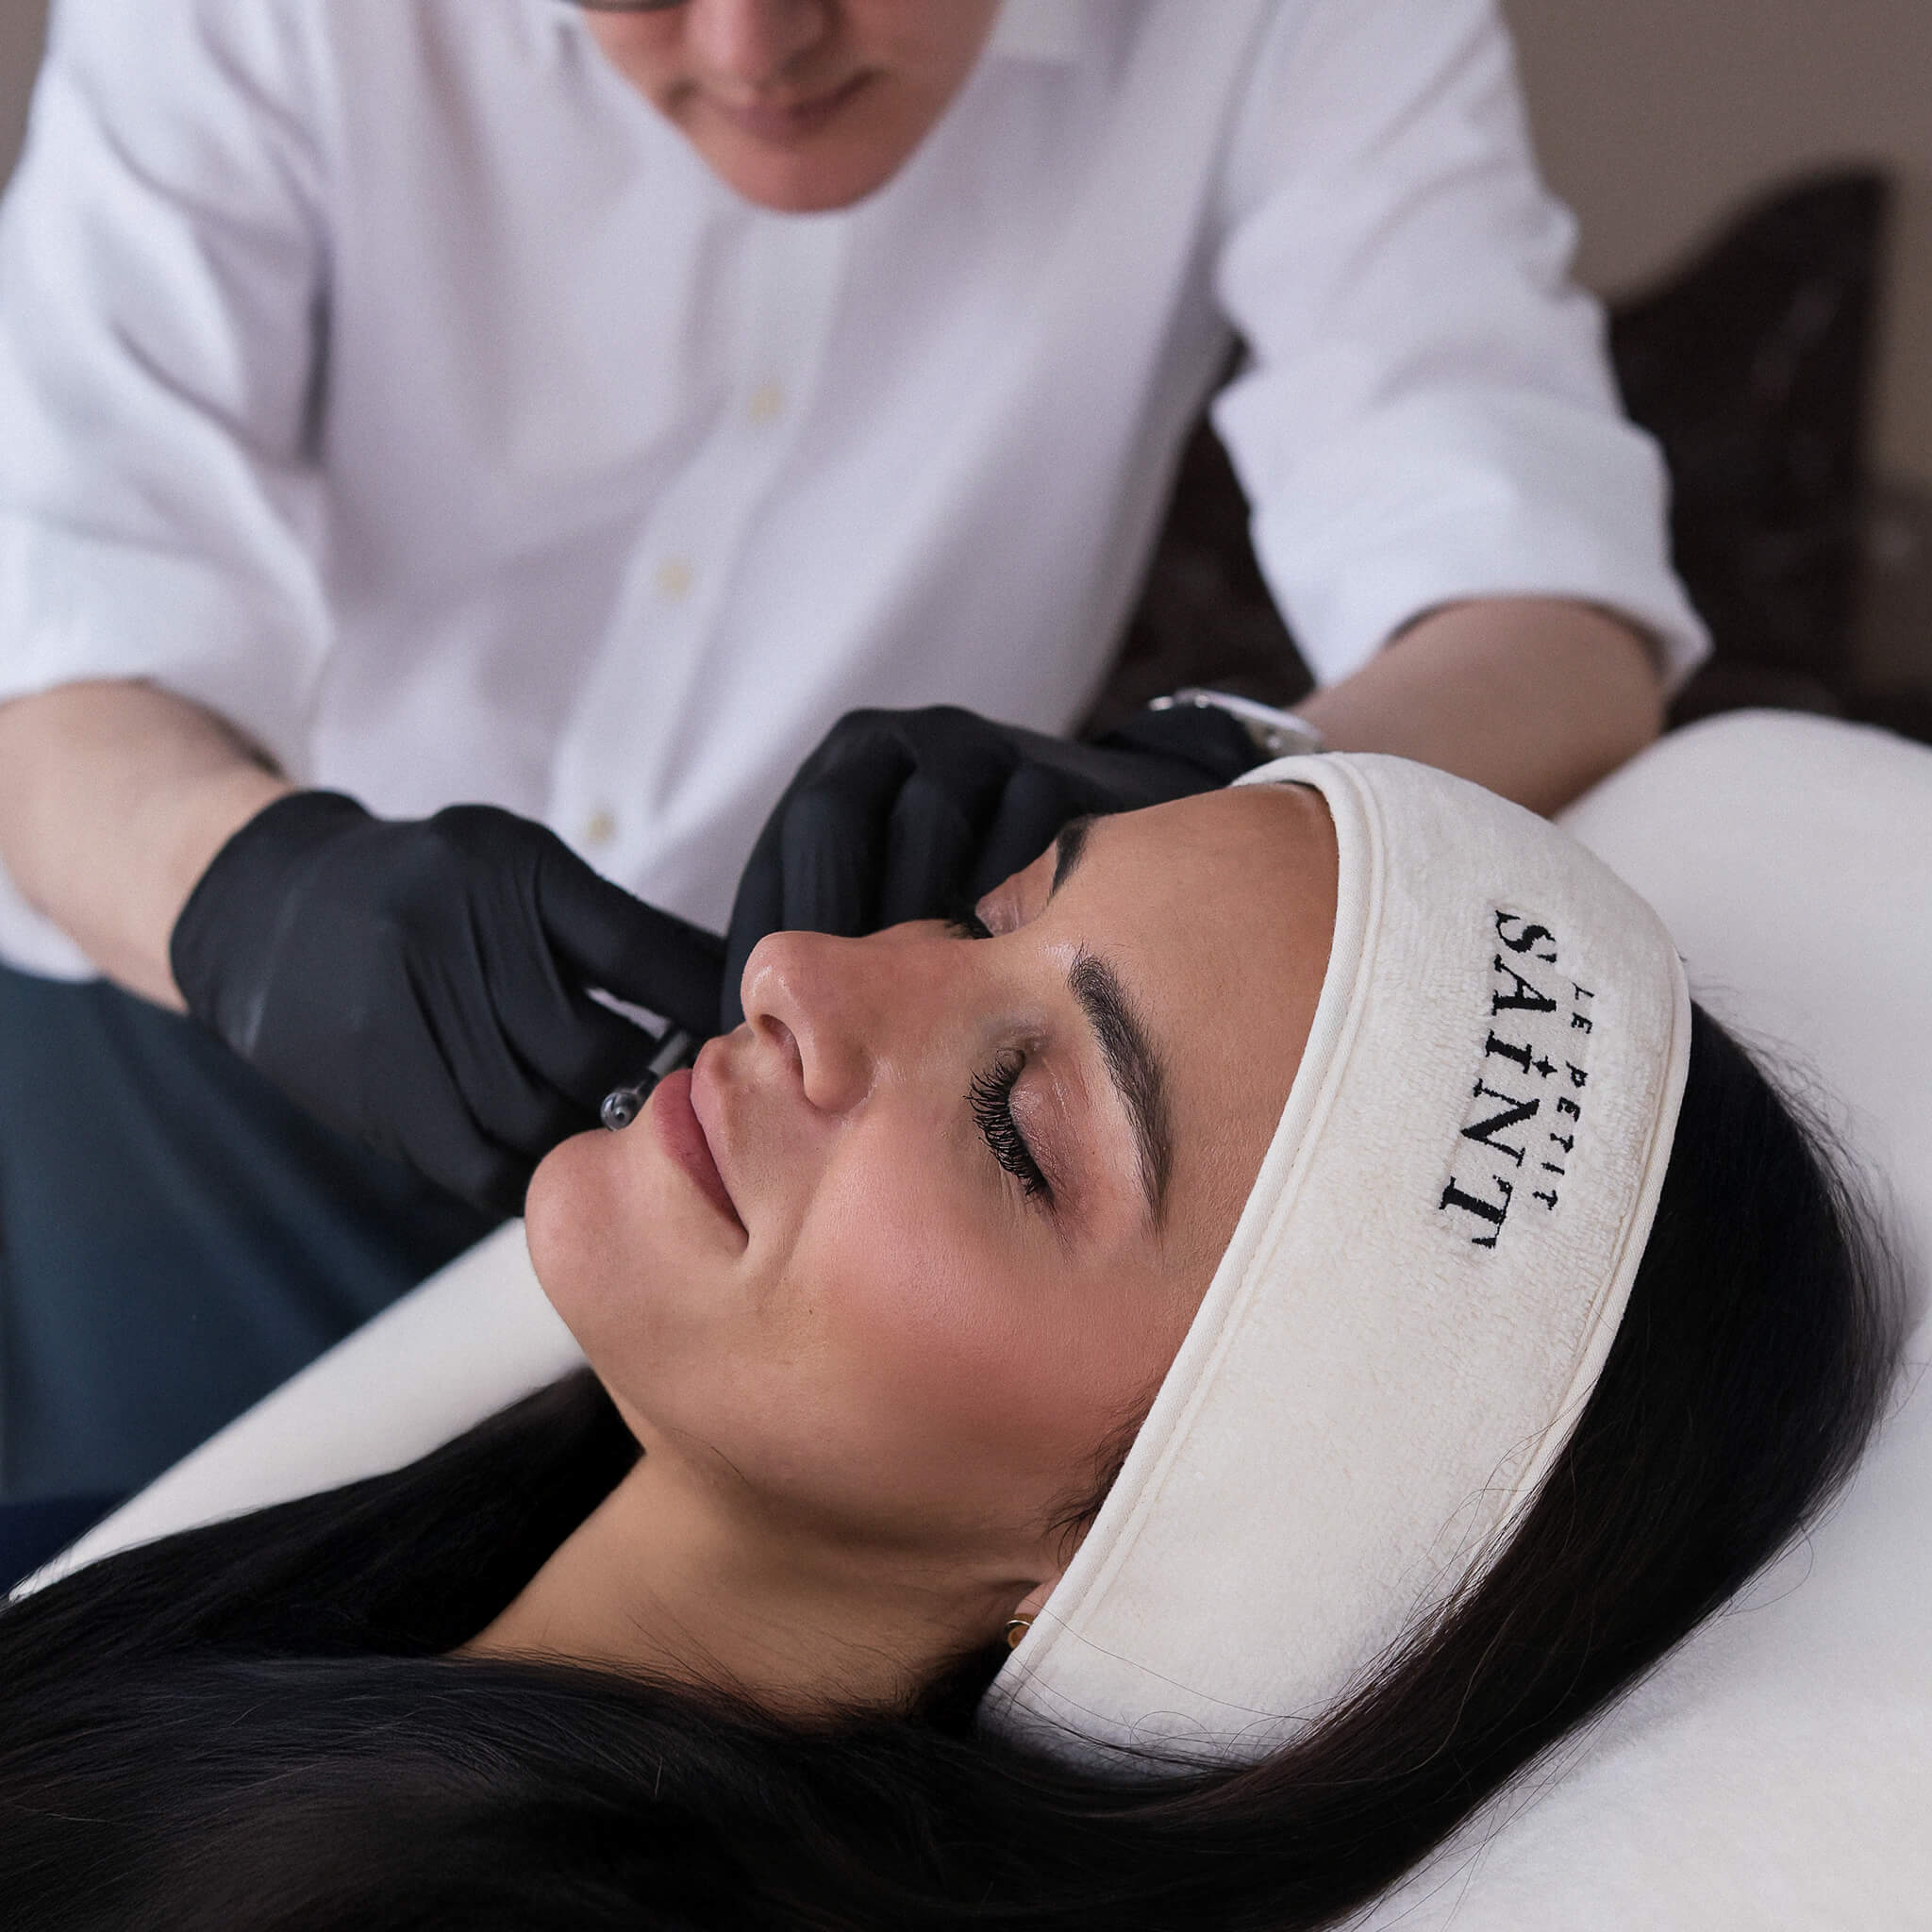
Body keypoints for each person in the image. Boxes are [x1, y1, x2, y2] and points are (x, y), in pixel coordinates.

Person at [0, 0, 1707, 1501]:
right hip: (178, 1022)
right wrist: (257, 908)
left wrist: (1209, 775)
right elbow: (48, 625)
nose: (754, 44)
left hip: (811, 1205)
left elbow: (1555, 614)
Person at [0, 758, 1900, 1930]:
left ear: (1151, 1552)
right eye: (992, 910)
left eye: (1016, 1127)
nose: (798, 972)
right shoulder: (291, 1618)